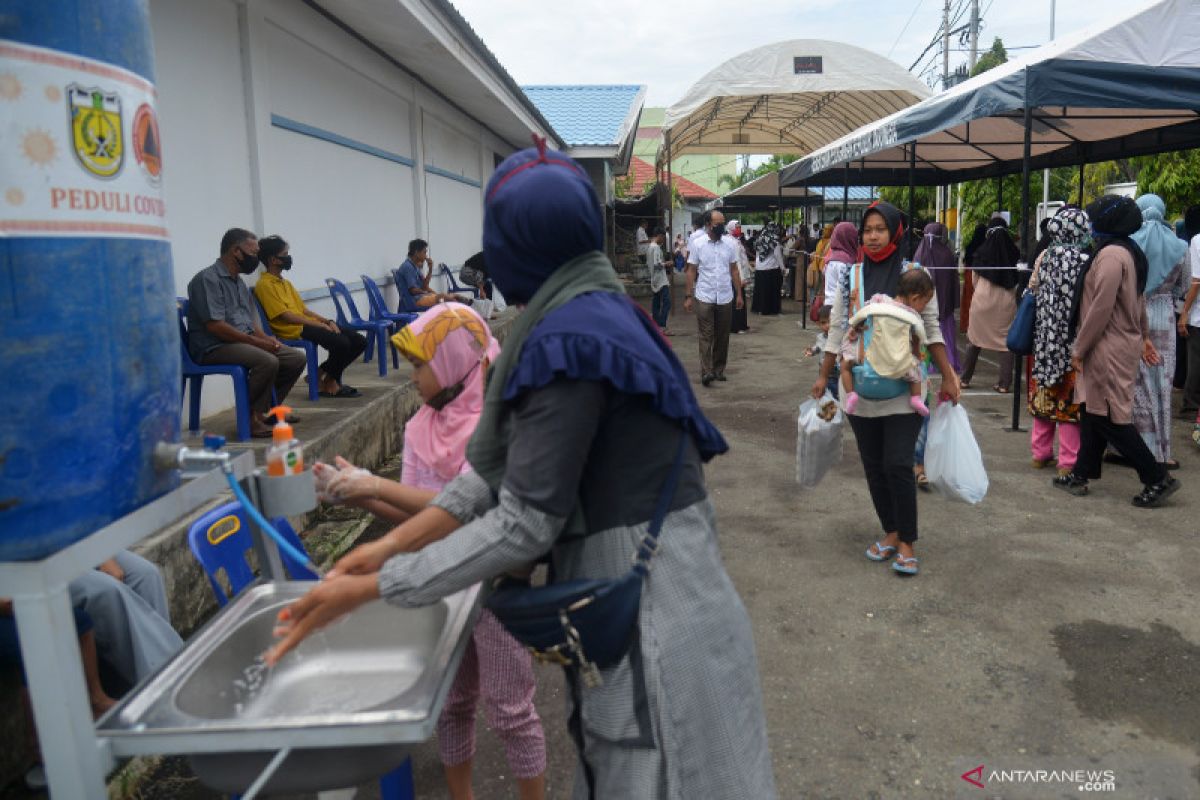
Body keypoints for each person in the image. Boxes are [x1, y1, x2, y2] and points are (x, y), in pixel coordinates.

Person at [268, 140, 777, 799]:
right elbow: (486, 479)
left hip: (656, 617)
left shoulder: (572, 336)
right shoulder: (587, 313)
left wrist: (377, 585)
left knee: (665, 774)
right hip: (660, 596)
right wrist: (384, 549)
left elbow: (524, 521)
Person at [312, 303, 547, 800]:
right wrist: (357, 492)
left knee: (511, 710)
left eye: (420, 365)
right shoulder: (419, 427)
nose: (412, 378)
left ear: (454, 361)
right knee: (453, 702)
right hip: (442, 581)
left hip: (496, 585)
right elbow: (419, 521)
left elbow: (466, 506)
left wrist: (372, 483)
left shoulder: (500, 422)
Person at [811, 201, 961, 577]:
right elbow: (837, 327)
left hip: (904, 388)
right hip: (860, 388)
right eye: (868, 230)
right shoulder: (850, 275)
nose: (873, 236)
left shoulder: (916, 273)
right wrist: (823, 374)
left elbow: (931, 327)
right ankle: (891, 531)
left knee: (898, 463)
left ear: (895, 231)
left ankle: (908, 541)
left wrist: (948, 373)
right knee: (874, 465)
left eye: (880, 229)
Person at [1054, 195, 1180, 507]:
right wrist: (1144, 336)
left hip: (1106, 346)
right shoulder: (1129, 251)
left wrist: (1079, 349)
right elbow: (1137, 301)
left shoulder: (1110, 256)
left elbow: (1101, 308)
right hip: (1119, 342)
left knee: (1111, 417)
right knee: (1092, 410)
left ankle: (1156, 477)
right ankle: (1081, 473)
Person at [187, 228, 307, 438]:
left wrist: (265, 338)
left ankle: (266, 410)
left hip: (239, 342)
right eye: (253, 254)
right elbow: (215, 326)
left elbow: (250, 323)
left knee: (295, 358)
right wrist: (257, 343)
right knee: (267, 360)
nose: (256, 259)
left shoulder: (239, 282)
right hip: (213, 346)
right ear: (235, 251)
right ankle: (249, 419)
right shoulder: (207, 279)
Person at [253, 235, 367, 399]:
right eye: (285, 254)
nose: (288, 258)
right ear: (273, 259)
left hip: (306, 324)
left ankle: (322, 376)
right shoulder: (264, 285)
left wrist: (327, 321)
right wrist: (319, 326)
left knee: (359, 341)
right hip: (292, 329)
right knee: (341, 343)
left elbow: (303, 310)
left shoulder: (285, 283)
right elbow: (286, 316)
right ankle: (330, 383)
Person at [1026, 208, 1089, 477]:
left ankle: (1040, 454)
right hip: (1073, 342)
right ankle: (1068, 461)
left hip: (1045, 342)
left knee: (1044, 396)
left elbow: (1032, 288)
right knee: (1069, 404)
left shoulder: (1045, 255)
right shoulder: (1086, 260)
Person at [1131, 194, 1190, 470]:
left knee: (1134, 383)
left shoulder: (1131, 243)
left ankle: (1127, 447)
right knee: (1162, 385)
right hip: (1164, 316)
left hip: (1133, 314)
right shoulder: (1180, 246)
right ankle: (1160, 451)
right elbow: (1184, 286)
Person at [839, 269, 934, 417]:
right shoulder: (913, 316)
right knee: (916, 371)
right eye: (925, 303)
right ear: (915, 299)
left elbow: (863, 313)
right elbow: (918, 338)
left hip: (870, 356)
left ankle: (851, 394)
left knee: (845, 365)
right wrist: (917, 353)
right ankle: (915, 398)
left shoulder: (879, 299)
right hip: (897, 360)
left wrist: (854, 327)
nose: (924, 307)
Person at [961, 215, 1020, 392]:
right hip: (1006, 303)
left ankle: (964, 379)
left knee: (974, 339)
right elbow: (1018, 279)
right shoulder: (1014, 253)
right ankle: (1004, 384)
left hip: (982, 301)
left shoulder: (981, 251)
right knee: (1004, 343)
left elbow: (974, 279)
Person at [685, 209, 744, 385]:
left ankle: (719, 369)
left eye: (723, 222)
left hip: (725, 296)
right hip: (704, 295)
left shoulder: (729, 244)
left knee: (723, 335)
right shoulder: (698, 244)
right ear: (709, 224)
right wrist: (688, 296)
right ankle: (706, 372)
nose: (722, 226)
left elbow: (734, 269)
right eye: (718, 223)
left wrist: (739, 293)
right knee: (706, 335)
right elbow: (691, 271)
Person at [913, 222, 961, 372]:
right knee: (944, 332)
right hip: (944, 303)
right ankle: (948, 362)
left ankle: (927, 362)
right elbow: (954, 281)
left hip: (923, 304)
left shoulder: (919, 252)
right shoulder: (947, 254)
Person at [397, 239, 467, 308]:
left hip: (420, 297)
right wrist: (427, 293)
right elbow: (413, 291)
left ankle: (465, 303)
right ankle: (462, 311)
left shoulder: (415, 266)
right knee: (446, 299)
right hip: (415, 300)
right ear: (416, 252)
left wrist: (430, 269)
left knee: (451, 296)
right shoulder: (408, 267)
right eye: (424, 252)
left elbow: (424, 286)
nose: (426, 256)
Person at [1179, 205, 1200, 420]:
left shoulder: (1197, 241)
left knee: (1195, 361)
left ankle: (1191, 406)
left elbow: (1196, 281)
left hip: (1198, 313)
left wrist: (1184, 312)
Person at [822, 221, 858, 308]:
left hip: (828, 303)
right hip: (839, 308)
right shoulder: (844, 261)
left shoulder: (832, 256)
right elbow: (845, 289)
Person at [752, 221, 785, 316]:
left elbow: (757, 254)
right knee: (772, 291)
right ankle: (772, 309)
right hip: (771, 269)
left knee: (761, 290)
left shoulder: (760, 239)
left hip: (760, 268)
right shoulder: (774, 240)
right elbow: (778, 255)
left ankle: (760, 309)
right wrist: (783, 268)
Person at [960, 222, 987, 334]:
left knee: (968, 300)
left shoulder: (970, 245)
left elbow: (965, 260)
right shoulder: (986, 246)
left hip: (969, 274)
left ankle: (966, 325)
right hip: (981, 275)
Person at [728, 220, 752, 334]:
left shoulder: (736, 241)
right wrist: (741, 278)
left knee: (740, 299)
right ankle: (736, 326)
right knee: (737, 300)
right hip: (736, 276)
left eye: (739, 227)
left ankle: (742, 324)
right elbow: (736, 262)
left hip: (739, 274)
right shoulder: (732, 242)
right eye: (736, 227)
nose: (738, 229)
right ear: (731, 228)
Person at [647, 226, 673, 335]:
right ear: (660, 236)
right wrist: (667, 263)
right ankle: (661, 325)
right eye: (663, 237)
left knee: (656, 302)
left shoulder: (650, 247)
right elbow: (657, 264)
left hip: (654, 278)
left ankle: (656, 324)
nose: (663, 240)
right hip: (661, 279)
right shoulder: (656, 248)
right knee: (667, 301)